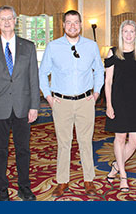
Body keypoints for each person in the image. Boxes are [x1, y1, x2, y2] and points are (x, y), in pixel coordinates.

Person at [39, 10, 104, 197]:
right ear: (63, 25)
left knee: (86, 142)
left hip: (85, 101)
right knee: (63, 143)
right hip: (61, 102)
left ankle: (88, 180)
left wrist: (97, 93)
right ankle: (62, 181)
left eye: (76, 22)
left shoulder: (91, 46)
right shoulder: (53, 46)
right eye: (69, 22)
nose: (72, 26)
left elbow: (99, 70)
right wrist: (49, 97)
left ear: (81, 24)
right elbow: (43, 73)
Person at [0, 5, 40, 201]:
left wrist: (34, 105)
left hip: (23, 107)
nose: (6, 22)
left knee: (23, 149)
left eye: (10, 18)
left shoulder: (28, 46)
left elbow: (33, 79)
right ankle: (2, 188)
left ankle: (24, 187)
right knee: (0, 151)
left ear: (15, 21)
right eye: (2, 19)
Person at [104, 20, 136, 192]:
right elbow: (108, 82)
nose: (128, 35)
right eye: (125, 31)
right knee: (120, 138)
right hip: (119, 101)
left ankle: (116, 165)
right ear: (121, 33)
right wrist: (108, 105)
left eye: (132, 32)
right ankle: (123, 175)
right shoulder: (113, 53)